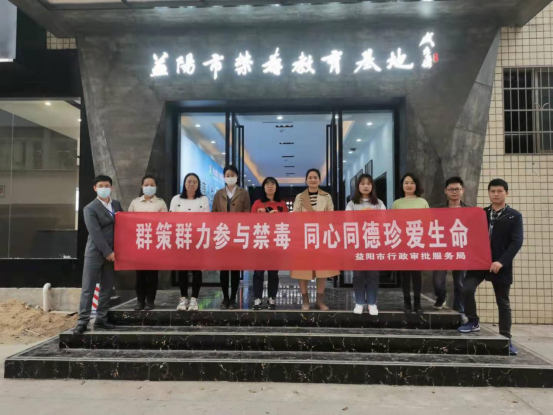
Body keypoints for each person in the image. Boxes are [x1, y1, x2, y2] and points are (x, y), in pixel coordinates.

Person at [459, 179, 523, 356]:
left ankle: (506, 339)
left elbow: (516, 242)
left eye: (499, 191)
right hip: (479, 262)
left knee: (503, 302)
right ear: (488, 193)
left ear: (506, 193)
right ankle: (473, 320)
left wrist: (501, 261)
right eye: (492, 191)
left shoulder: (514, 216)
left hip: (500, 264)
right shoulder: (481, 214)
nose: (496, 194)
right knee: (467, 289)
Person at [74, 175, 123, 335]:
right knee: (88, 288)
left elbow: (124, 225)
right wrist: (107, 252)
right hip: (95, 252)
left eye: (107, 185)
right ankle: (83, 321)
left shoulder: (116, 205)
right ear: (95, 188)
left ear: (111, 188)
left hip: (113, 253)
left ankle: (101, 318)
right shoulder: (90, 208)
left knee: (107, 287)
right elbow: (95, 233)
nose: (104, 188)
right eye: (100, 186)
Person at [291, 168, 339, 311]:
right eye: (310, 177)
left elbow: (331, 215)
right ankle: (305, 300)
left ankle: (319, 301)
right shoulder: (300, 197)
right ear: (306, 180)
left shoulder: (326, 196)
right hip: (304, 237)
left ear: (319, 180)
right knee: (302, 269)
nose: (312, 180)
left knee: (322, 269)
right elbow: (295, 216)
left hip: (322, 236)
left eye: (315, 177)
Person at [346, 174, 386, 316]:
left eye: (368, 183)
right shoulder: (352, 204)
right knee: (358, 274)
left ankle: (372, 303)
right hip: (358, 243)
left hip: (374, 243)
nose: (365, 186)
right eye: (362, 183)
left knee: (373, 274)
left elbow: (383, 222)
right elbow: (348, 222)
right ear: (358, 186)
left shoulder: (379, 203)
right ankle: (359, 302)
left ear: (372, 186)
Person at [212, 165, 251, 310]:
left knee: (235, 268)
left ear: (237, 176)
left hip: (237, 234)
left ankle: (233, 298)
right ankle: (225, 298)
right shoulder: (219, 194)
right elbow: (214, 213)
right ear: (224, 177)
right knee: (223, 268)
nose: (230, 177)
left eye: (232, 175)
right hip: (222, 234)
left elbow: (247, 213)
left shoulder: (243, 193)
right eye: (227, 175)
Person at [170, 173, 210, 311]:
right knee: (182, 270)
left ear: (198, 184)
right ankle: (183, 299)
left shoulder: (203, 199)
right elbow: (172, 219)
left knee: (196, 270)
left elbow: (206, 219)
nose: (191, 184)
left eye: (194, 182)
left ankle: (194, 299)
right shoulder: (176, 199)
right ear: (184, 183)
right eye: (189, 181)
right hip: (181, 238)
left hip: (197, 239)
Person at [128, 175, 168, 311]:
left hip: (154, 243)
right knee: (140, 275)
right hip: (139, 242)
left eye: (152, 185)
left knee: (152, 275)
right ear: (142, 186)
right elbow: (128, 221)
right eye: (146, 185)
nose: (149, 187)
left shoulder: (160, 203)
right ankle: (140, 301)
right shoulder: (135, 203)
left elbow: (164, 222)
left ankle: (150, 301)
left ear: (156, 187)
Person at [432, 177, 471, 316]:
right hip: (442, 249)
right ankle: (441, 296)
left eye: (457, 189)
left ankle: (459, 309)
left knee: (460, 283)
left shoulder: (470, 210)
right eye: (451, 189)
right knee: (438, 280)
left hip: (461, 250)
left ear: (462, 190)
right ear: (445, 191)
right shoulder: (438, 210)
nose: (454, 192)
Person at [392, 173, 429, 314]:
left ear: (416, 185)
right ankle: (407, 302)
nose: (409, 185)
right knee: (405, 275)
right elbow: (392, 224)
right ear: (402, 185)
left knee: (417, 274)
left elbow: (428, 222)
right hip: (403, 243)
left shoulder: (422, 202)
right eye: (406, 182)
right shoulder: (397, 203)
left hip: (418, 242)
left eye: (412, 182)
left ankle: (418, 303)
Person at [251, 177, 288, 310]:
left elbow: (287, 223)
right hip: (260, 241)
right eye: (267, 184)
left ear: (276, 187)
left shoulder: (282, 204)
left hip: (275, 243)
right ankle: (257, 298)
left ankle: (272, 298)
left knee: (273, 273)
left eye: (272, 184)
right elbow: (250, 222)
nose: (270, 186)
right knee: (258, 272)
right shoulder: (257, 203)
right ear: (264, 187)